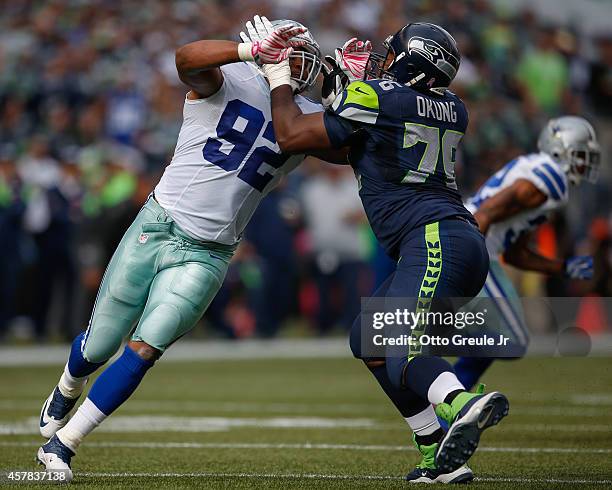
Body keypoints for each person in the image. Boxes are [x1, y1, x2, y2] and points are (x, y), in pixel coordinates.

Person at [35, 19, 335, 481]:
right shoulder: (229, 77)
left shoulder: (305, 117)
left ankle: (64, 443)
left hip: (210, 251)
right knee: (99, 344)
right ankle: (69, 383)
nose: (299, 58)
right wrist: (243, 51)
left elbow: (355, 146)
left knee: (145, 347)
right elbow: (185, 59)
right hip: (159, 224)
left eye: (302, 51)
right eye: (290, 48)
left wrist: (348, 92)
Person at [249, 19, 510, 483]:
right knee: (367, 339)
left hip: (434, 238)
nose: (383, 59)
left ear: (410, 60)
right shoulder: (454, 106)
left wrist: (281, 80)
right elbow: (354, 144)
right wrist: (341, 87)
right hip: (455, 241)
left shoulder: (380, 97)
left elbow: (292, 135)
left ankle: (462, 402)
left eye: (392, 53)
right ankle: (435, 454)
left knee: (399, 348)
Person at [453, 116, 601, 389]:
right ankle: (426, 343)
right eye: (580, 155)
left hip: (478, 244)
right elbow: (484, 215)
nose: (584, 163)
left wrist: (562, 267)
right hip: (473, 244)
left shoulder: (543, 177)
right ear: (560, 149)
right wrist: (471, 265)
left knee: (505, 341)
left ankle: (451, 403)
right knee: (509, 340)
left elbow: (516, 253)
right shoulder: (550, 178)